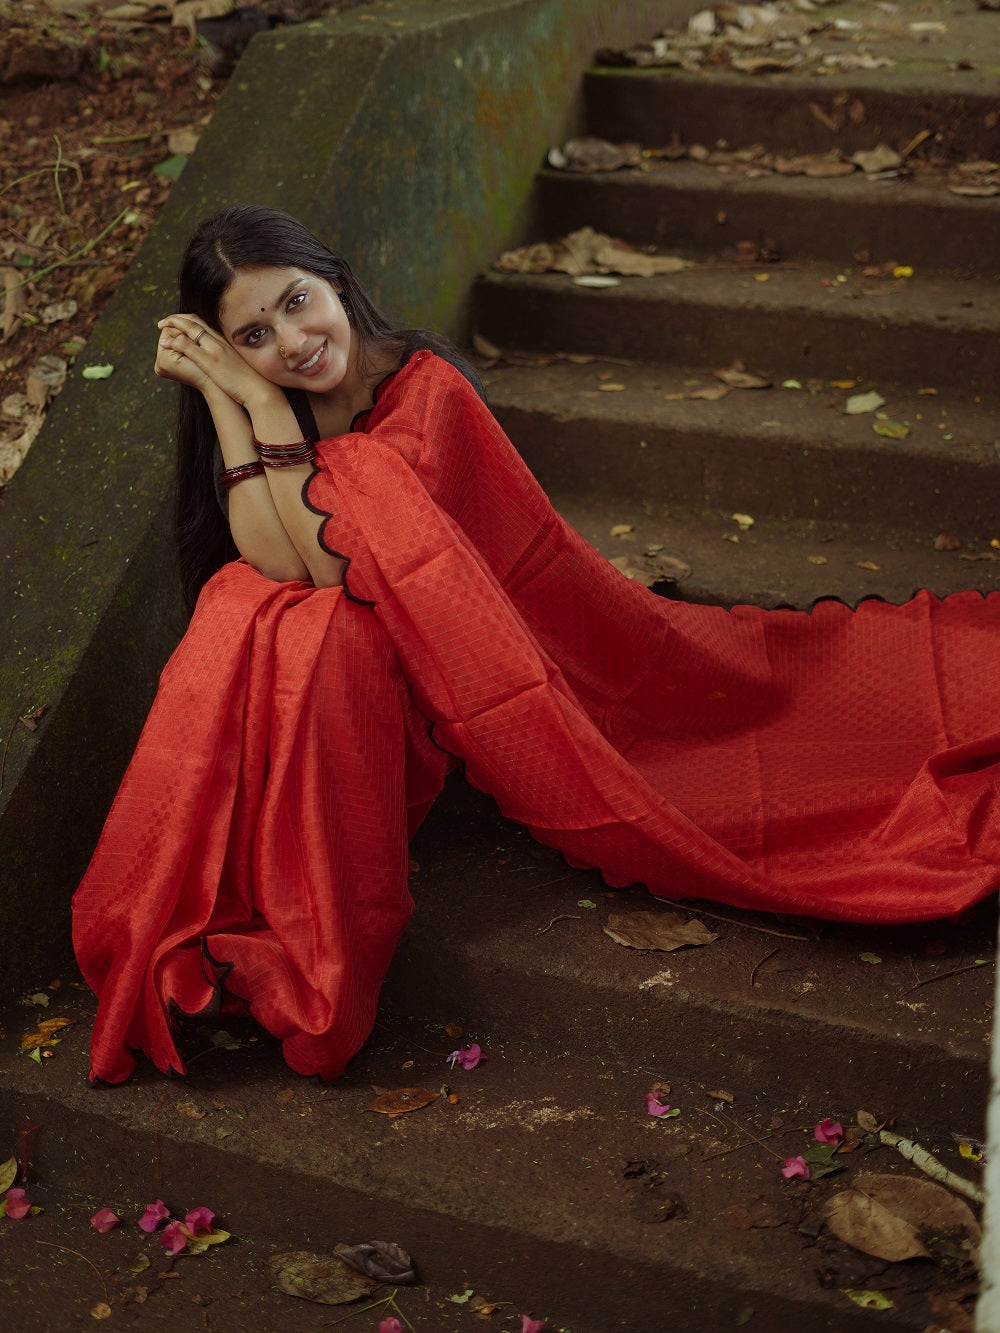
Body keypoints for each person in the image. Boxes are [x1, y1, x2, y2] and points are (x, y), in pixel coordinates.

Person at [72, 205, 1000, 1087]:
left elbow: (328, 554)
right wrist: (234, 404)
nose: (292, 341)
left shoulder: (424, 389)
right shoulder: (277, 397)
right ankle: (246, 896)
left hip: (501, 660)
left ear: (336, 281)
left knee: (323, 620)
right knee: (257, 606)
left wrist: (250, 398)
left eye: (296, 302)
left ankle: (314, 911)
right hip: (378, 675)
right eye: (253, 337)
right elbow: (279, 557)